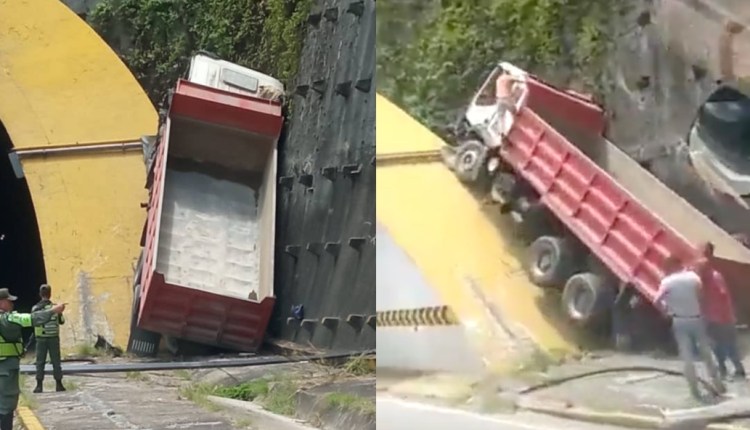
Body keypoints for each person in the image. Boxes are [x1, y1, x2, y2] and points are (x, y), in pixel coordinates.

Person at [654, 255, 725, 399]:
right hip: (697, 319)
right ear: (680, 264)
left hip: (679, 320)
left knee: (687, 357)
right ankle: (718, 385)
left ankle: (694, 392)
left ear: (670, 267)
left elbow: (656, 300)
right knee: (706, 353)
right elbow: (701, 297)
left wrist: (665, 311)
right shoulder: (693, 277)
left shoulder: (666, 282)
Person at [0, 288, 65, 430]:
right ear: (1, 302)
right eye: (9, 301)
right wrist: (53, 311)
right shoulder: (8, 318)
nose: (12, 304)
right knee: (6, 405)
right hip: (5, 369)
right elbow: (32, 319)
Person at [696, 242, 746, 379]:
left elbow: (723, 294)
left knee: (727, 345)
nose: (700, 273)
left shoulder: (714, 277)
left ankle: (736, 370)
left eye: (701, 270)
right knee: (718, 346)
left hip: (722, 318)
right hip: (714, 318)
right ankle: (725, 370)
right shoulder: (706, 280)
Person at [32, 284, 66, 393]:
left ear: (40, 294)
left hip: (41, 339)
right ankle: (59, 384)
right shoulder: (56, 308)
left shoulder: (35, 308)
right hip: (53, 338)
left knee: (40, 362)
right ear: (50, 294)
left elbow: (33, 321)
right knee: (56, 361)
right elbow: (62, 321)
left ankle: (39, 385)